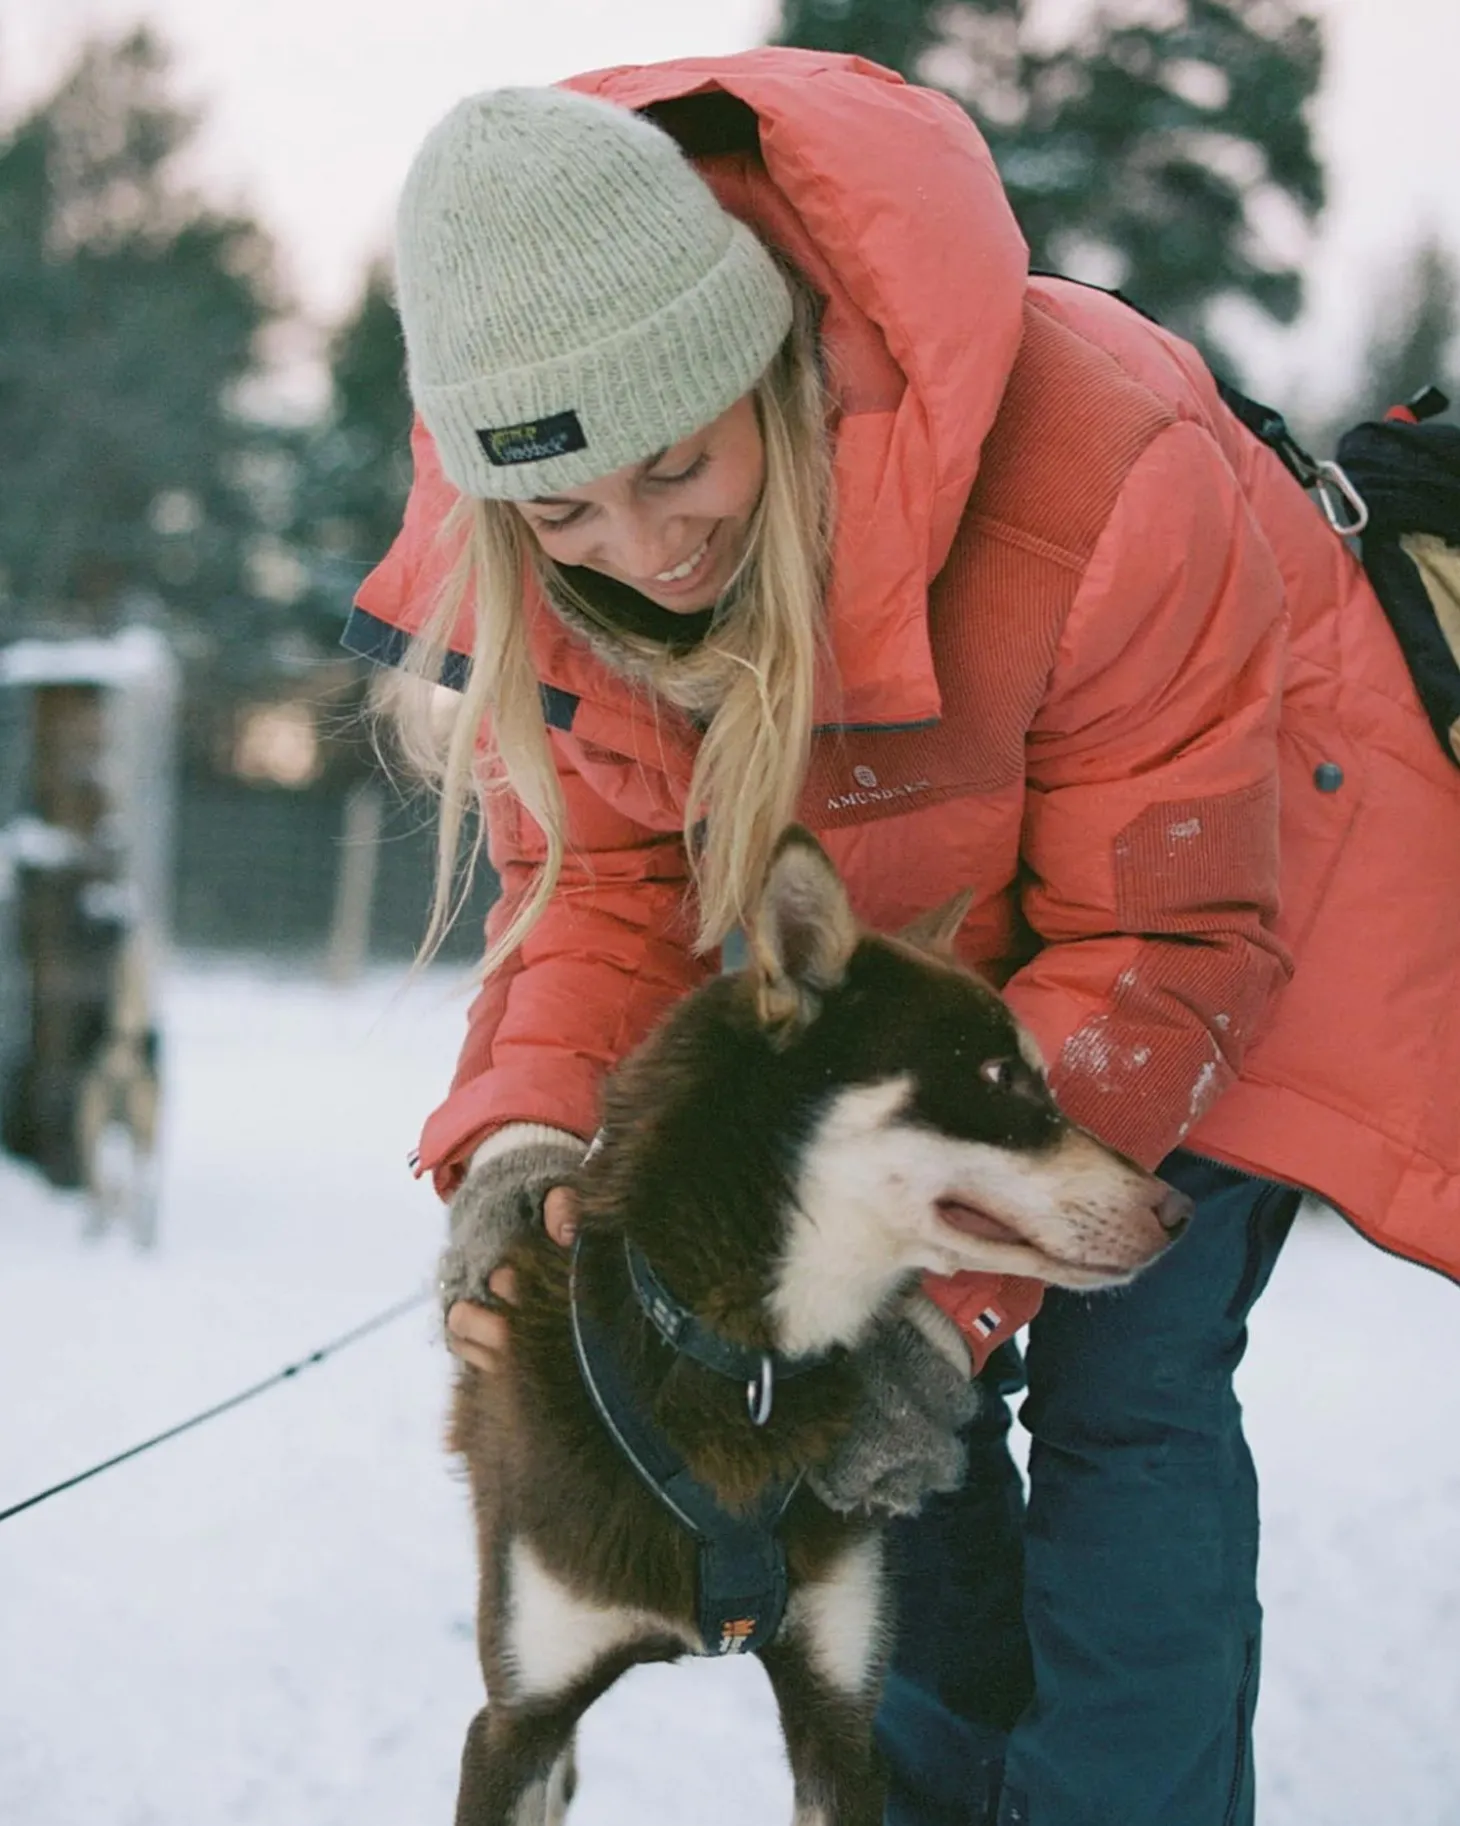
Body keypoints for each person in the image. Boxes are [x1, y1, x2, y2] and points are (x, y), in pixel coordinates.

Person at [346, 49, 1460, 1826]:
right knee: (884, 1444)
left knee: (1132, 1386)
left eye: (675, 465)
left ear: (760, 364)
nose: (638, 549)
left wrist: (938, 1317)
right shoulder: (578, 589)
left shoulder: (1097, 463)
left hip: (1240, 905)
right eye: (560, 511)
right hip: (942, 963)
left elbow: (1164, 933)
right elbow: (619, 889)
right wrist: (530, 1139)